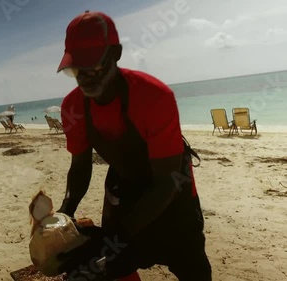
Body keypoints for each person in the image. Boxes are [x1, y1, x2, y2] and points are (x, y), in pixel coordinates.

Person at [54, 11, 212, 281]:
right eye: (76, 68)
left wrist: (121, 235)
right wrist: (62, 216)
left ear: (116, 53)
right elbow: (80, 167)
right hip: (124, 188)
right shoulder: (73, 107)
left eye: (93, 65)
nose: (85, 77)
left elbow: (167, 181)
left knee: (194, 271)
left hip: (173, 191)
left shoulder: (154, 97)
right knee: (108, 266)